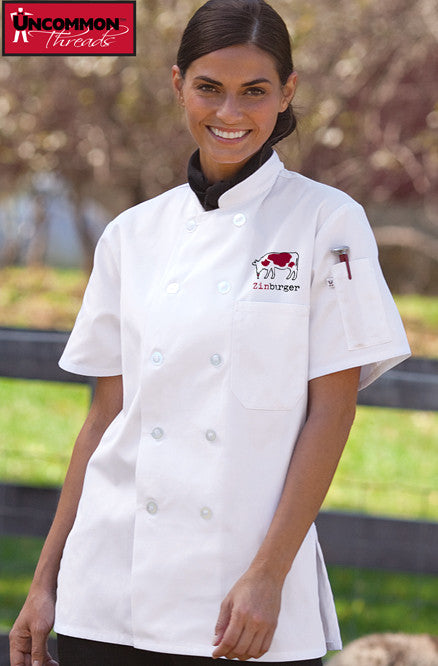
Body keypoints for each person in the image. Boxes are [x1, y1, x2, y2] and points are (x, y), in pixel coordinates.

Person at [10, 0, 411, 664]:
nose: (230, 112)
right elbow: (105, 420)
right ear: (178, 86)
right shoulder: (131, 235)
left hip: (242, 600)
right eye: (209, 88)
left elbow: (332, 412)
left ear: (287, 92)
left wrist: (268, 575)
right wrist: (47, 580)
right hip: (107, 592)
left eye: (254, 91)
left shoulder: (326, 222)